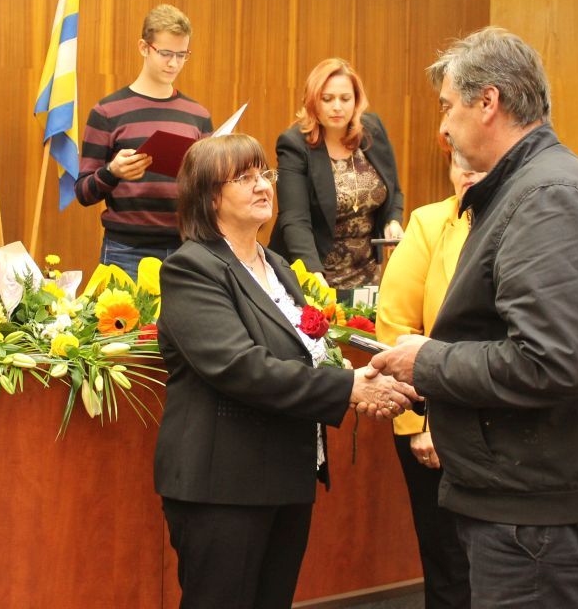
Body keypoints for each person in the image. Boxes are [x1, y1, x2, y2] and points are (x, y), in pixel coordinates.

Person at [368, 27, 578, 608]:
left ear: (487, 102)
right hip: (528, 497)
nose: (443, 127)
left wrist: (428, 361)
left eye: (448, 106)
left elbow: (554, 362)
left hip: (535, 511)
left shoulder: (546, 199)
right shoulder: (532, 187)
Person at [155, 134, 417, 609]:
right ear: (209, 197)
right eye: (244, 178)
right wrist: (348, 387)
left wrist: (356, 374)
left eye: (265, 174)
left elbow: (300, 354)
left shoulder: (277, 266)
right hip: (224, 486)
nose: (263, 186)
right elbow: (241, 367)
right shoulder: (192, 269)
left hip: (285, 474)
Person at [375, 138, 486, 609]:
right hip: (433, 425)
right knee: (449, 563)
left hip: (504, 424)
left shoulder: (523, 222)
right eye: (461, 166)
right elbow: (396, 329)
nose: (469, 175)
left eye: (480, 167)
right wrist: (423, 421)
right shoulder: (428, 223)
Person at [75, 4, 213, 278]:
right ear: (144, 47)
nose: (174, 63)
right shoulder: (107, 112)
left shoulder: (198, 116)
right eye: (165, 53)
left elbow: (210, 189)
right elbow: (83, 192)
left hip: (186, 248)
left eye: (182, 55)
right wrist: (112, 172)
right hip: (125, 250)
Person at [269, 58, 404, 289]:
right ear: (313, 101)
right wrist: (312, 274)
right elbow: (294, 219)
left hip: (367, 273)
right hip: (317, 272)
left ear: (356, 100)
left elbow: (393, 189)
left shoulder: (372, 130)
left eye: (345, 98)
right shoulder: (294, 144)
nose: (337, 107)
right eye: (327, 99)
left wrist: (393, 221)